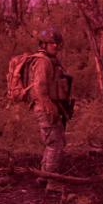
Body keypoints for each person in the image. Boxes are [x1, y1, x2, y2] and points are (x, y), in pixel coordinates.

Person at [28, 28, 72, 192]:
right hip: (46, 108)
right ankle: (52, 182)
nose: (55, 45)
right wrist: (50, 107)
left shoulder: (49, 60)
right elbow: (39, 88)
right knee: (55, 143)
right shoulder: (43, 61)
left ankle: (44, 176)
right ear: (43, 44)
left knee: (52, 142)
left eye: (56, 43)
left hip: (49, 106)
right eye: (51, 43)